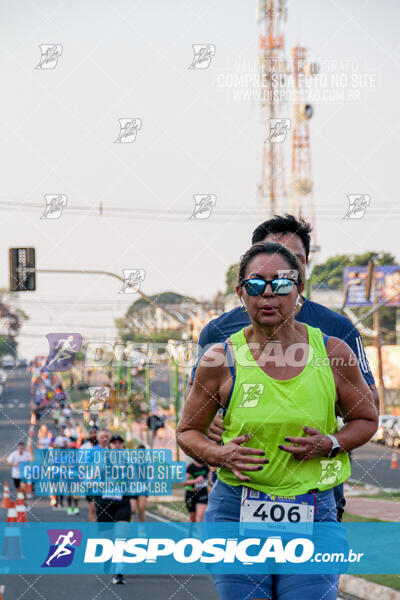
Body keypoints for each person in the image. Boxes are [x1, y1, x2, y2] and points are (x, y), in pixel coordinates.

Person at [177, 242, 378, 600]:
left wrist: (330, 443)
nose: (268, 294)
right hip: (236, 510)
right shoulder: (219, 359)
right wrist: (218, 454)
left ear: (299, 290)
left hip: (313, 509)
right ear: (241, 293)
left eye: (281, 284)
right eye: (255, 285)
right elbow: (188, 430)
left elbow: (365, 418)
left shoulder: (333, 353)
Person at [187, 214, 379, 521]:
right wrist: (213, 430)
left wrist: (326, 438)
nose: (282, 266)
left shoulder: (336, 329)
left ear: (303, 271)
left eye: (296, 260)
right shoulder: (218, 332)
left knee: (309, 569)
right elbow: (192, 409)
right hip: (241, 488)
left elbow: (370, 406)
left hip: (315, 488)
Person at [94, 433, 131, 585]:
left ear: (123, 446)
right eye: (114, 443)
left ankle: (119, 572)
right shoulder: (103, 460)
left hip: (122, 502)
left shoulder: (129, 461)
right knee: (106, 539)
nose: (117, 445)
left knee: (121, 537)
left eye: (119, 443)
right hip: (105, 503)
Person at [130, 444, 148, 528]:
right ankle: (129, 524)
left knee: (141, 509)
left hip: (143, 488)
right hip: (133, 488)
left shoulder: (147, 463)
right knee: (132, 510)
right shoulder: (132, 461)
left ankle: (141, 529)